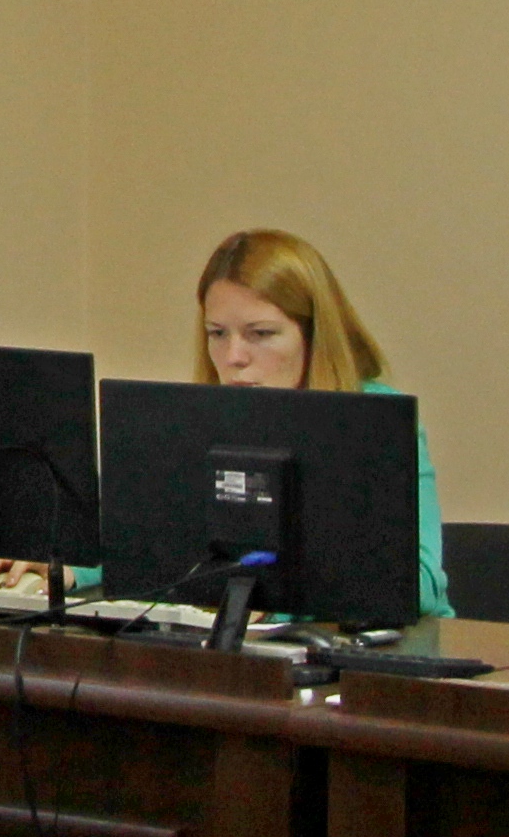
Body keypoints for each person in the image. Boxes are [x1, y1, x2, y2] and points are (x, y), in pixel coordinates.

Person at [193, 229, 450, 622]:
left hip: (379, 649)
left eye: (260, 333)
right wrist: (89, 571)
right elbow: (156, 553)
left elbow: (421, 583)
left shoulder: (375, 419)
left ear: (313, 335)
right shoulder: (198, 424)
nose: (234, 356)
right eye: (217, 334)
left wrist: (273, 606)